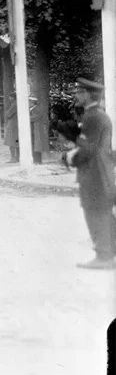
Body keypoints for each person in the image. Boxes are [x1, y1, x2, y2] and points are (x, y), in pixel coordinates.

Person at [63, 78, 116, 269]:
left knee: (95, 212)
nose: (76, 95)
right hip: (102, 170)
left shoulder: (92, 117)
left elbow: (87, 149)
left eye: (78, 92)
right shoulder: (99, 115)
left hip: (94, 172)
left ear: (87, 94)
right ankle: (107, 253)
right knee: (102, 212)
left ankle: (104, 257)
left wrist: (70, 158)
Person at [3, 90, 19, 163]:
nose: (9, 98)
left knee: (11, 142)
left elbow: (8, 115)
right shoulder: (17, 104)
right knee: (16, 141)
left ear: (13, 98)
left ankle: (13, 158)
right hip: (16, 125)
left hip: (12, 126)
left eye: (10, 97)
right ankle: (17, 157)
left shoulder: (14, 105)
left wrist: (6, 113)